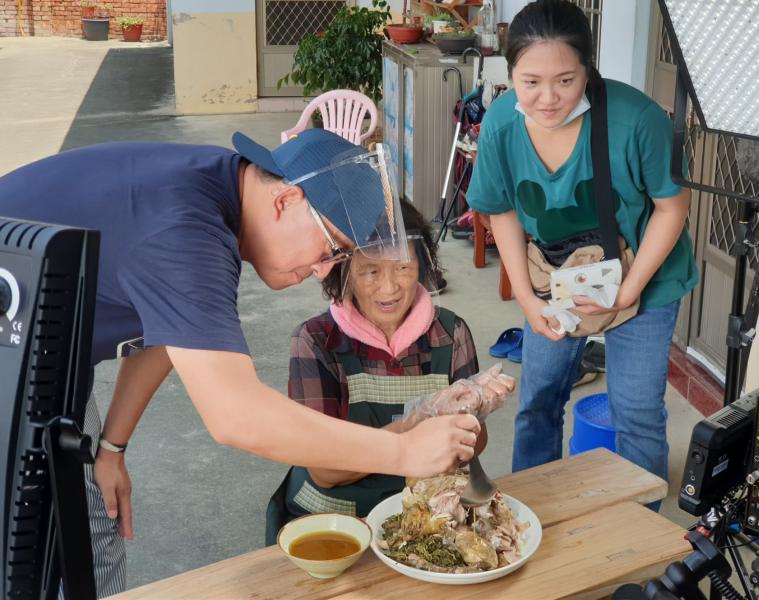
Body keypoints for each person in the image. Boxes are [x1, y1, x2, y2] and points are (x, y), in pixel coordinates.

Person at [0, 129, 480, 596]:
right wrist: (402, 452)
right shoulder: (186, 232)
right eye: (331, 250)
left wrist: (112, 448)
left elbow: (167, 330)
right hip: (15, 346)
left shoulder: (217, 188)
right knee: (32, 546)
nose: (322, 271)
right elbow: (236, 416)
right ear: (287, 201)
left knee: (87, 534)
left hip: (49, 348)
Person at [466, 0, 698, 491]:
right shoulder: (503, 124)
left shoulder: (637, 120)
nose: (547, 98)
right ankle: (532, 514)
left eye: (565, 80)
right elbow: (500, 207)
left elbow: (672, 208)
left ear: (588, 70)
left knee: (635, 410)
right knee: (539, 400)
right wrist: (528, 300)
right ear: (509, 74)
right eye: (530, 82)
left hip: (646, 274)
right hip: (555, 275)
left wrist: (630, 289)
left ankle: (640, 540)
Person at [265, 200, 511, 543]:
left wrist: (473, 407)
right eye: (370, 271)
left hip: (428, 511)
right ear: (344, 272)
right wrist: (417, 421)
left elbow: (475, 443)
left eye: (403, 268)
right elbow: (325, 469)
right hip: (337, 517)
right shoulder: (316, 341)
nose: (389, 288)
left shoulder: (451, 333)